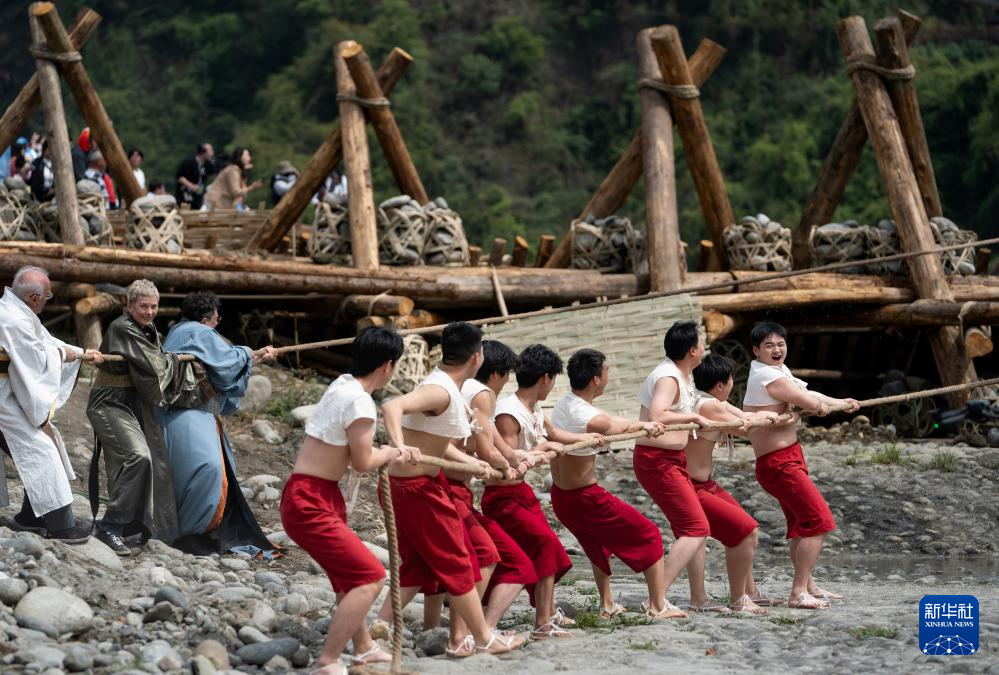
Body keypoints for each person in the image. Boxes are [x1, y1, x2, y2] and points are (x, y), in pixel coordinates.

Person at [372, 322, 524, 658]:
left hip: (409, 485)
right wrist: (399, 445)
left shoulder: (447, 387)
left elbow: (436, 445)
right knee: (461, 560)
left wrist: (473, 464)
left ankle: (378, 626)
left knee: (419, 562)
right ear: (477, 357)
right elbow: (391, 406)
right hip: (414, 488)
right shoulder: (441, 390)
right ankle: (478, 637)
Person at [280, 327, 413, 674]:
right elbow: (363, 461)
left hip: (311, 494)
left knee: (347, 577)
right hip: (310, 500)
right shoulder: (360, 401)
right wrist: (391, 452)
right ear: (388, 365)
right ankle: (328, 660)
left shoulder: (342, 384)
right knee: (371, 577)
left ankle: (364, 647)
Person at [549, 349, 681, 620]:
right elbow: (614, 426)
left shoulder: (566, 403)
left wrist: (643, 424)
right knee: (649, 534)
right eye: (607, 370)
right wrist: (646, 427)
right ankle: (658, 606)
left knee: (599, 545)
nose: (609, 375)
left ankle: (607, 603)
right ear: (596, 379)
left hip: (561, 497)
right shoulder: (590, 417)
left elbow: (614, 421)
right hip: (585, 498)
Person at [421, 340, 539, 633]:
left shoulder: (455, 388)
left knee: (434, 562)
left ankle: (433, 629)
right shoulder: (481, 394)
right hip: (447, 488)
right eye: (507, 375)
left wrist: (516, 458)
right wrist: (507, 467)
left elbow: (495, 446)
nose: (507, 382)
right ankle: (468, 633)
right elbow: (487, 451)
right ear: (496, 373)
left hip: (445, 486)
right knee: (484, 556)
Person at [483, 344, 598, 639]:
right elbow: (509, 458)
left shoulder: (533, 407)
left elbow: (554, 434)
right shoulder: (508, 413)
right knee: (545, 546)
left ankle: (544, 616)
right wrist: (541, 449)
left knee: (546, 551)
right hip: (502, 497)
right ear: (545, 378)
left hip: (521, 493)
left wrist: (590, 437)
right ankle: (541, 622)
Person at [743, 321, 859, 609]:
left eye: (780, 344)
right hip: (777, 464)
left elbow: (809, 395)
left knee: (800, 525)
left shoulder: (779, 371)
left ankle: (808, 585)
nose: (777, 349)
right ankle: (797, 593)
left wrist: (841, 402)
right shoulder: (765, 375)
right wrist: (816, 408)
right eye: (769, 345)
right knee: (818, 520)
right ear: (756, 351)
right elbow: (807, 402)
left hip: (790, 457)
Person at [158, 291, 278, 554]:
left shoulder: (177, 331)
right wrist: (248, 353)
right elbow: (227, 365)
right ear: (205, 319)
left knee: (183, 470)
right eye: (216, 318)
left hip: (178, 413)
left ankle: (180, 526)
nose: (217, 322)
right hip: (190, 412)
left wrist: (254, 358)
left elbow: (215, 363)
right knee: (207, 469)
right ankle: (196, 529)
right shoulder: (199, 332)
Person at [88, 279, 190, 554]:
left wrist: (169, 358)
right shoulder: (122, 327)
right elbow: (155, 364)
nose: (149, 312)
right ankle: (110, 527)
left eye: (154, 306)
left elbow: (154, 358)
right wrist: (175, 360)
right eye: (144, 306)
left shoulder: (149, 328)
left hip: (131, 403)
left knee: (133, 463)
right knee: (137, 457)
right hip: (109, 403)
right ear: (129, 305)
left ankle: (130, 524)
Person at [0, 267, 101, 543]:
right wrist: (63, 354)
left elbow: (44, 341)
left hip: (7, 394)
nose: (47, 300)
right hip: (3, 399)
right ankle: (60, 525)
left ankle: (30, 517)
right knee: (40, 449)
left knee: (46, 442)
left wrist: (81, 353)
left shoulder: (17, 310)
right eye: (47, 296)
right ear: (34, 298)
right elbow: (35, 359)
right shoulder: (13, 319)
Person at [633, 321, 718, 620]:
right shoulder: (668, 377)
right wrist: (693, 417)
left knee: (693, 529)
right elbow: (657, 414)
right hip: (657, 460)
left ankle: (698, 598)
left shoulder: (682, 374)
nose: (704, 346)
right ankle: (655, 600)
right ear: (692, 350)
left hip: (671, 459)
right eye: (701, 342)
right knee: (697, 528)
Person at [686, 354, 781, 614]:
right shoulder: (708, 406)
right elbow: (745, 428)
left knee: (745, 529)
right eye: (730, 380)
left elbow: (744, 416)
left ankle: (749, 591)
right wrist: (776, 414)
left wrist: (772, 415)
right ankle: (738, 598)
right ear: (720, 385)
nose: (732, 384)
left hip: (704, 483)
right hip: (691, 486)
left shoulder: (711, 400)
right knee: (745, 531)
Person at [175, 143, 214, 210]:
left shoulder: (207, 165)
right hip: (185, 196)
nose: (212, 153)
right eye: (210, 151)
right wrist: (191, 186)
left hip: (198, 197)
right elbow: (180, 177)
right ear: (203, 152)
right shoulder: (188, 162)